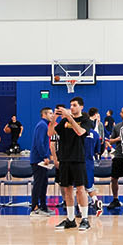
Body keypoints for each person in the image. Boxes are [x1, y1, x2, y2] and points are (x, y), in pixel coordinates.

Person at [53, 97, 93, 229]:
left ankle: (85, 218)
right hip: (64, 158)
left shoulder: (86, 120)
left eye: (74, 105)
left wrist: (70, 118)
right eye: (70, 105)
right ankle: (70, 219)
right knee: (67, 189)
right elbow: (50, 133)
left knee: (80, 189)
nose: (72, 107)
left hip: (78, 158)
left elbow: (80, 132)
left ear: (81, 107)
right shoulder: (64, 120)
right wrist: (54, 118)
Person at [28, 106, 56, 215]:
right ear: (44, 115)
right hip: (38, 160)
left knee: (43, 184)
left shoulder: (45, 125)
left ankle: (43, 206)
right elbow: (39, 142)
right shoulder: (42, 125)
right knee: (38, 184)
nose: (52, 115)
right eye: (50, 113)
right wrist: (44, 156)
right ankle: (35, 207)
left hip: (41, 159)